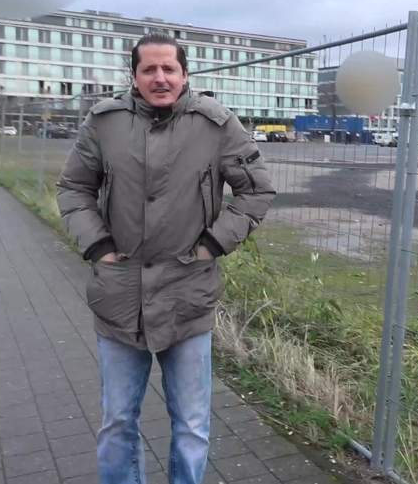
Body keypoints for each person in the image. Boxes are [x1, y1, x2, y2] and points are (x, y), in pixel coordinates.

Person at [57, 33, 275, 484]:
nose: (160, 78)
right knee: (117, 420)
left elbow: (256, 191)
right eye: (149, 69)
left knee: (192, 425)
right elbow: (74, 187)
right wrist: (98, 246)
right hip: (120, 296)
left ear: (184, 73)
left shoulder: (216, 125)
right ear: (134, 76)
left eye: (168, 69)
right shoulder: (104, 123)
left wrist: (212, 245)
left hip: (188, 294)